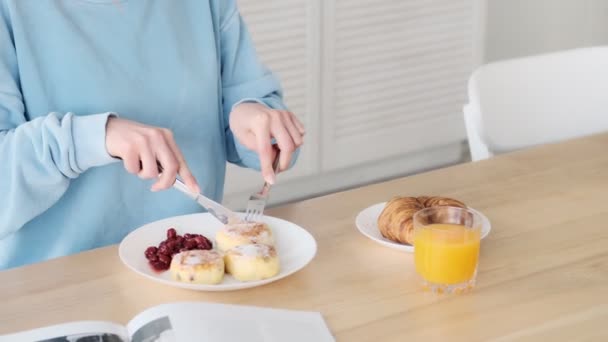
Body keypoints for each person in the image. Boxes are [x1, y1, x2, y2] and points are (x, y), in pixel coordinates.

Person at [0, 0, 304, 270]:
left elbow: (248, 105)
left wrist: (254, 118)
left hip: (185, 266)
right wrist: (90, 138)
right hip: (53, 283)